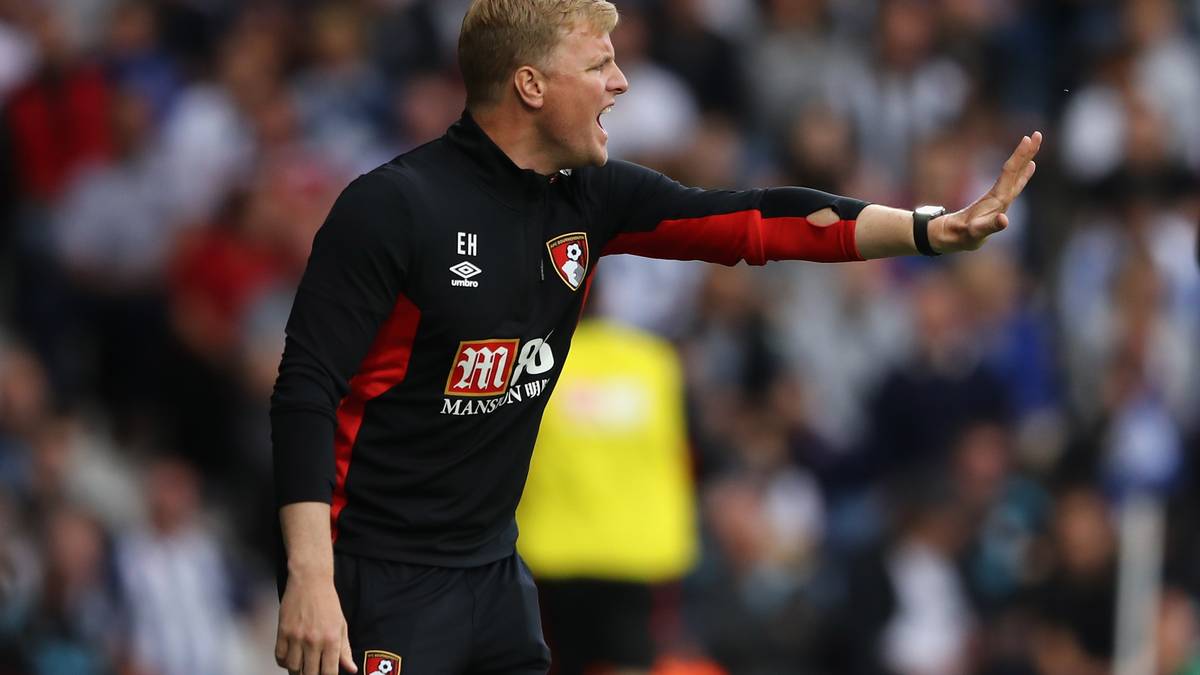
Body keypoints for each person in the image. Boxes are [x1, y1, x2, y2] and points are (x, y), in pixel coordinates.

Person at [269, 2, 1042, 675]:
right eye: (598, 65)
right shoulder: (391, 209)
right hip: (375, 575)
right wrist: (310, 576)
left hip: (494, 574)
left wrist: (931, 229)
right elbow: (305, 388)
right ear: (531, 85)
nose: (621, 83)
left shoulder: (589, 198)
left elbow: (757, 219)